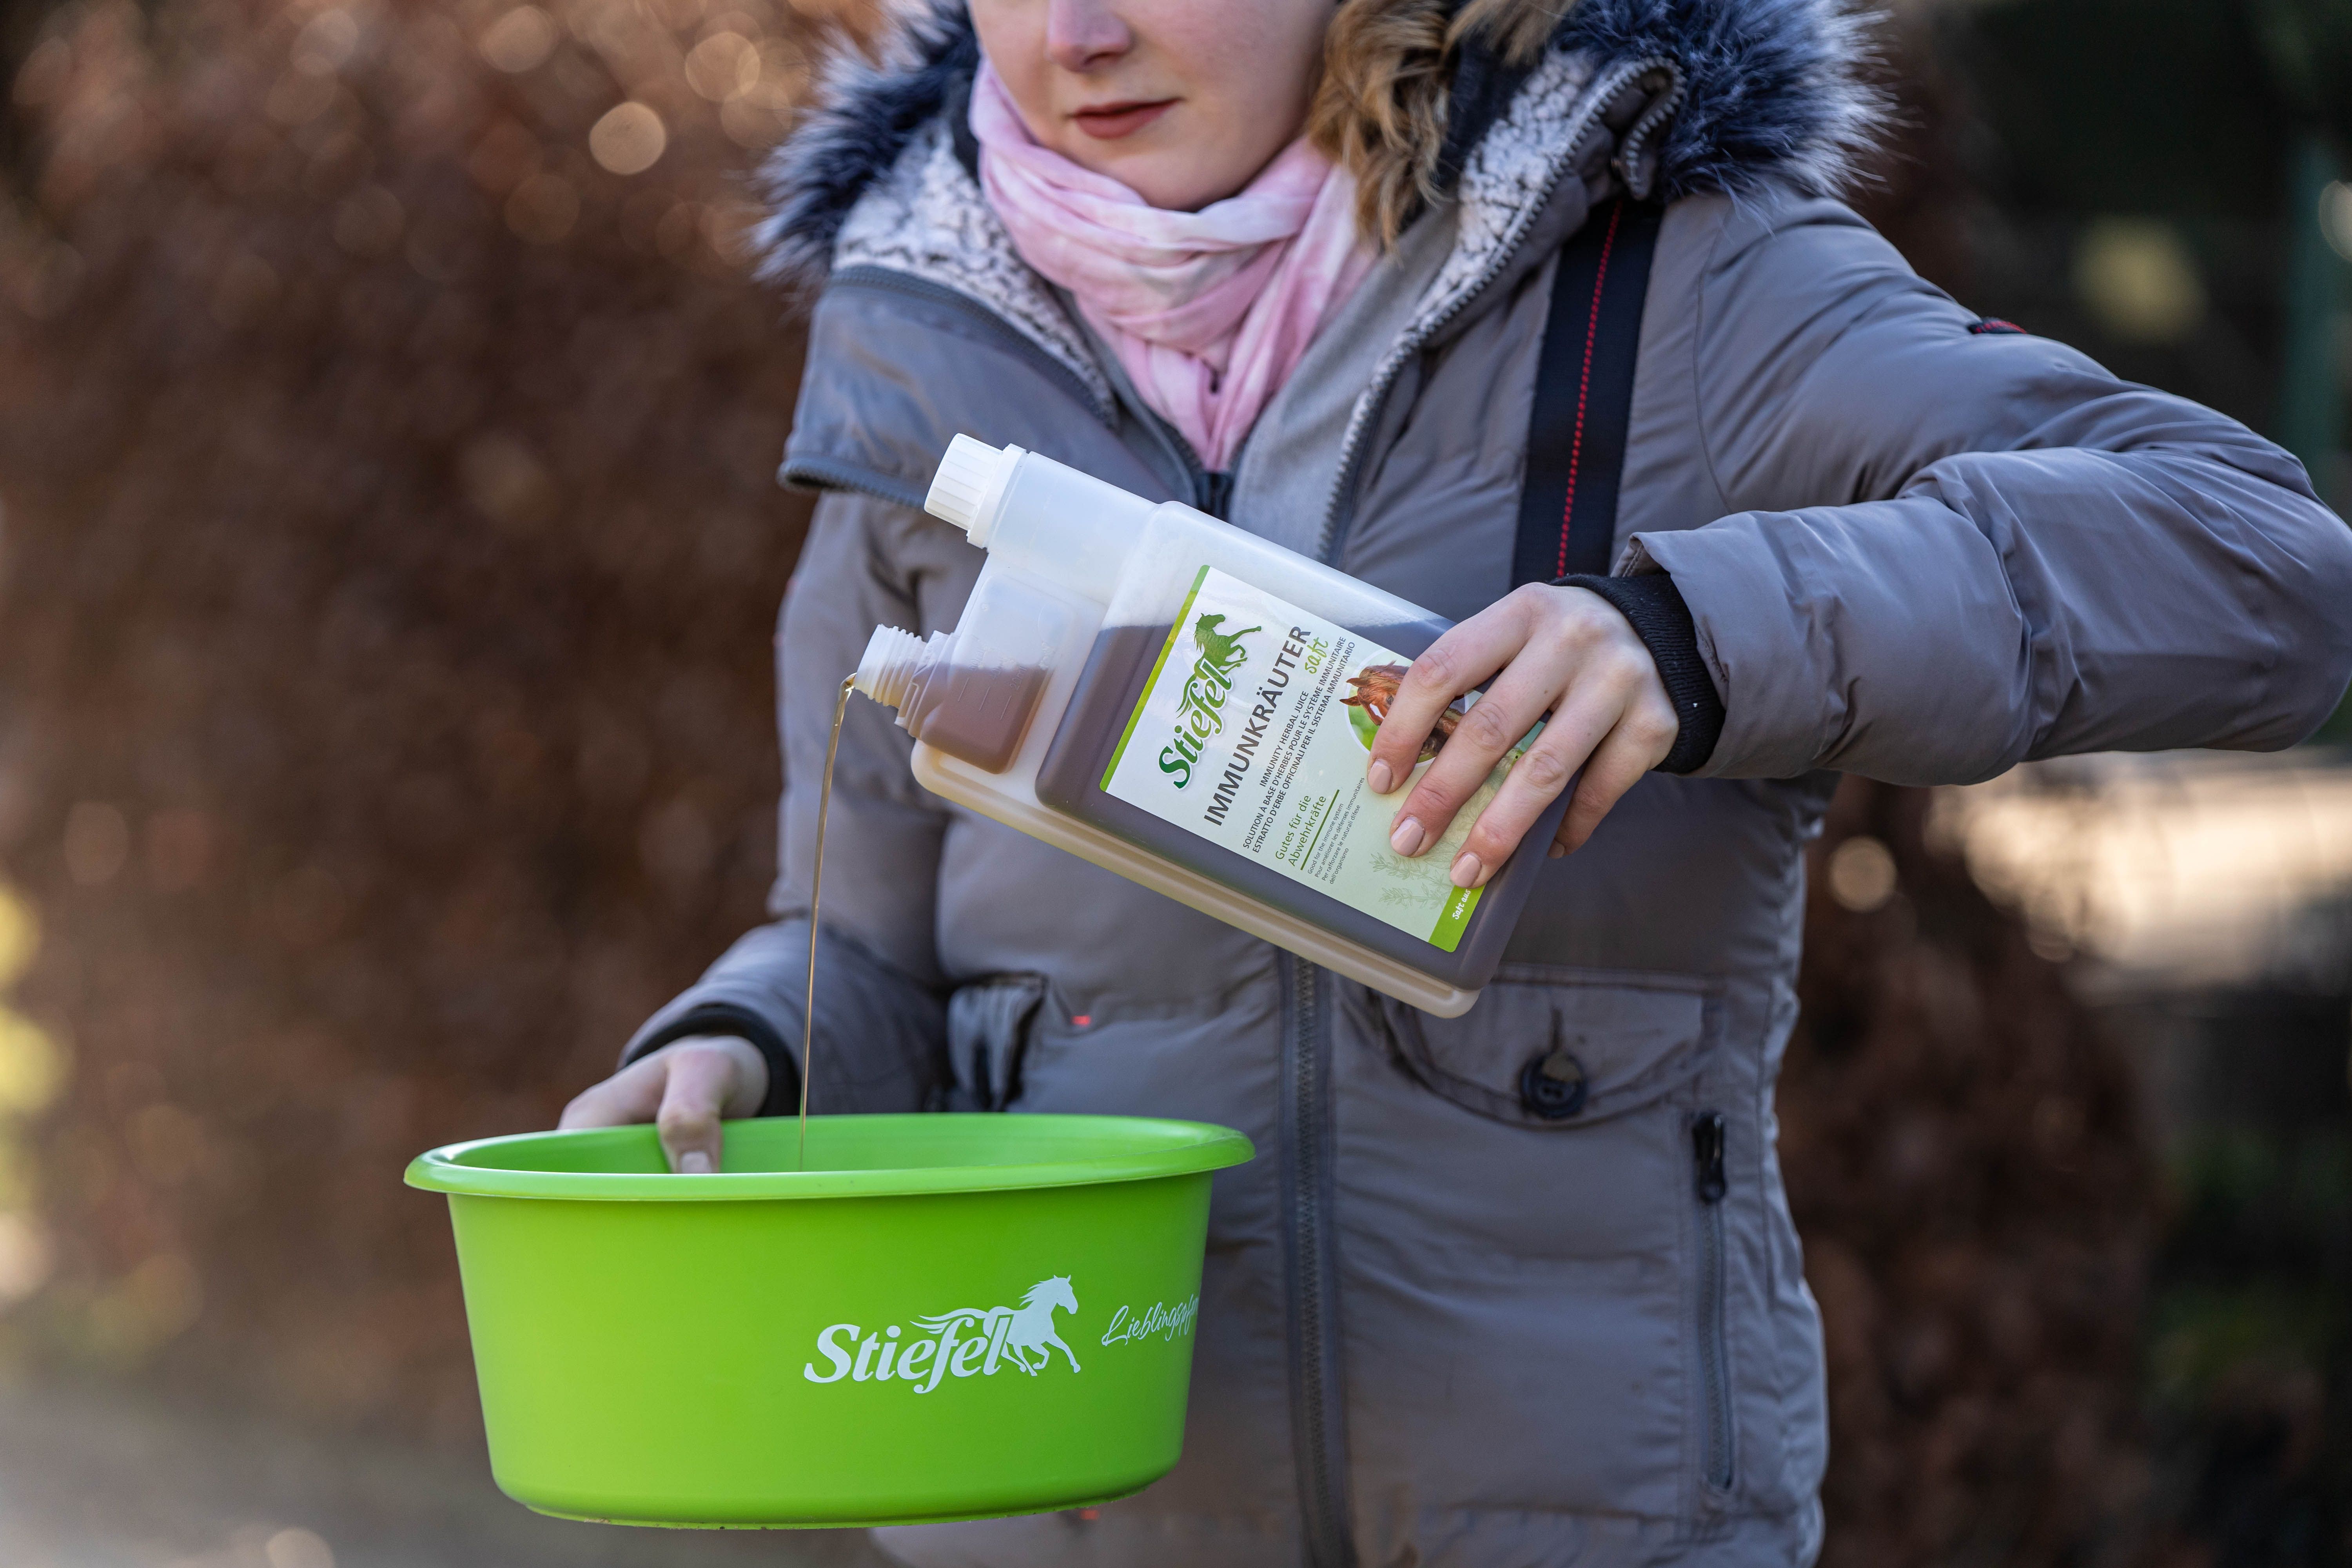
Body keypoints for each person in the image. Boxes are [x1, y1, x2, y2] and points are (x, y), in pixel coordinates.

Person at [558, 0, 2352, 1562]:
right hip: (1062, 1508)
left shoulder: (1666, 274)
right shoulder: (924, 339)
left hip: (1590, 1513)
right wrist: (751, 1053)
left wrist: (1701, 629)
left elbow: (2266, 571)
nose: (1072, 37)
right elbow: (862, 944)